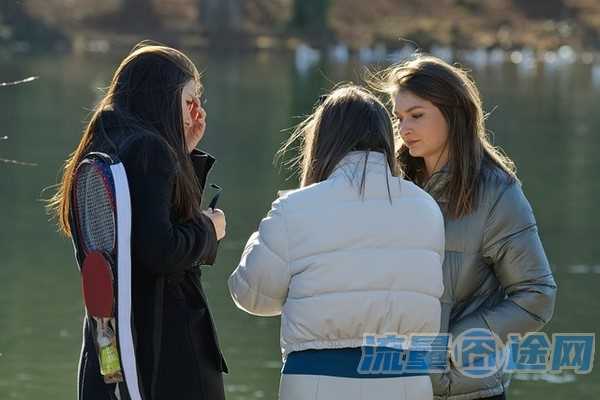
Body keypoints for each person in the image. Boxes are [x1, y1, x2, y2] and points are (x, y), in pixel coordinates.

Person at [228, 84, 445, 400]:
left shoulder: (295, 208)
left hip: (317, 380)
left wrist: (260, 235)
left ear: (322, 140)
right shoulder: (426, 208)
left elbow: (252, 296)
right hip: (406, 380)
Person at [48, 42, 228, 400]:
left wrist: (185, 152)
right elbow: (159, 250)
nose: (196, 112)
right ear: (163, 97)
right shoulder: (150, 151)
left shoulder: (103, 141)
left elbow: (146, 223)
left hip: (110, 345)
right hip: (165, 351)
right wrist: (210, 230)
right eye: (189, 99)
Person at [372, 55, 557, 400]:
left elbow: (537, 296)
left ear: (453, 112)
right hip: (392, 383)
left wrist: (457, 345)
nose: (403, 128)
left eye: (417, 115)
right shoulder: (390, 184)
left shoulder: (497, 192)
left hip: (468, 390)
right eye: (398, 118)